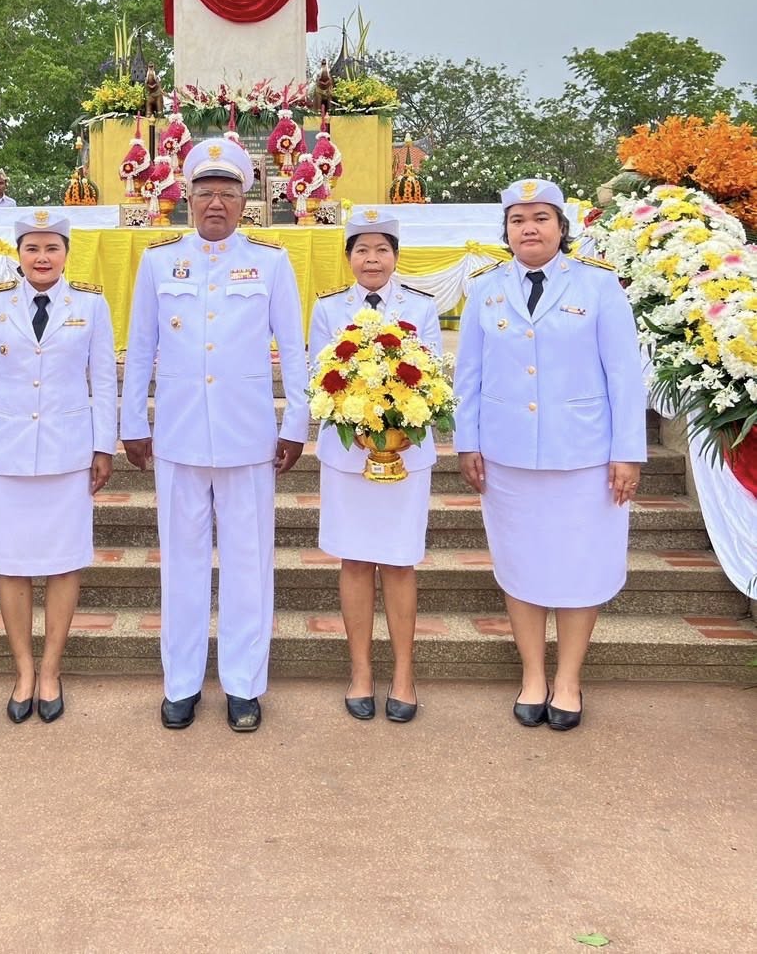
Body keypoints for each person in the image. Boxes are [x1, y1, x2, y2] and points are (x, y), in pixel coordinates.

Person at [121, 135, 309, 733]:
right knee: (181, 563)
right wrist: (133, 423)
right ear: (188, 198)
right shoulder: (157, 262)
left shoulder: (272, 262)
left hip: (249, 435)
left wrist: (295, 421)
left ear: (244, 201)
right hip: (176, 435)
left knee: (249, 563)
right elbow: (142, 346)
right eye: (205, 192)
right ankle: (180, 683)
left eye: (228, 192)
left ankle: (244, 685)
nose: (216, 203)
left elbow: (295, 349)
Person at [454, 178, 646, 732]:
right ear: (506, 230)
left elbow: (624, 377)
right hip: (508, 456)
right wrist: (468, 441)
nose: (529, 228)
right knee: (522, 565)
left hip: (585, 455)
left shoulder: (600, 288)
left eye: (540, 218)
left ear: (562, 228)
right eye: (517, 219)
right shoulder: (485, 290)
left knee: (582, 566)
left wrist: (627, 453)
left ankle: (568, 680)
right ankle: (533, 675)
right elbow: (469, 374)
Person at [0, 210, 116, 724]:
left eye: (52, 248)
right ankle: (23, 669)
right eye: (32, 249)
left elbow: (104, 382)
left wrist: (104, 447)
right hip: (6, 451)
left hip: (67, 451)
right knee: (10, 563)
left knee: (64, 561)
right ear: (19, 253)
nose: (42, 258)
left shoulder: (91, 305)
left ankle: (51, 669)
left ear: (66, 253)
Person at [309, 208, 442, 723]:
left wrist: (396, 420)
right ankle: (361, 671)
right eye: (361, 250)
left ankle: (404, 674)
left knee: (400, 561)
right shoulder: (329, 308)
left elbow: (431, 372)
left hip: (406, 453)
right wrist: (355, 413)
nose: (371, 259)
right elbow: (317, 372)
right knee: (356, 560)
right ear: (348, 258)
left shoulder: (421, 306)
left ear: (395, 256)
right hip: (348, 454)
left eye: (381, 249)